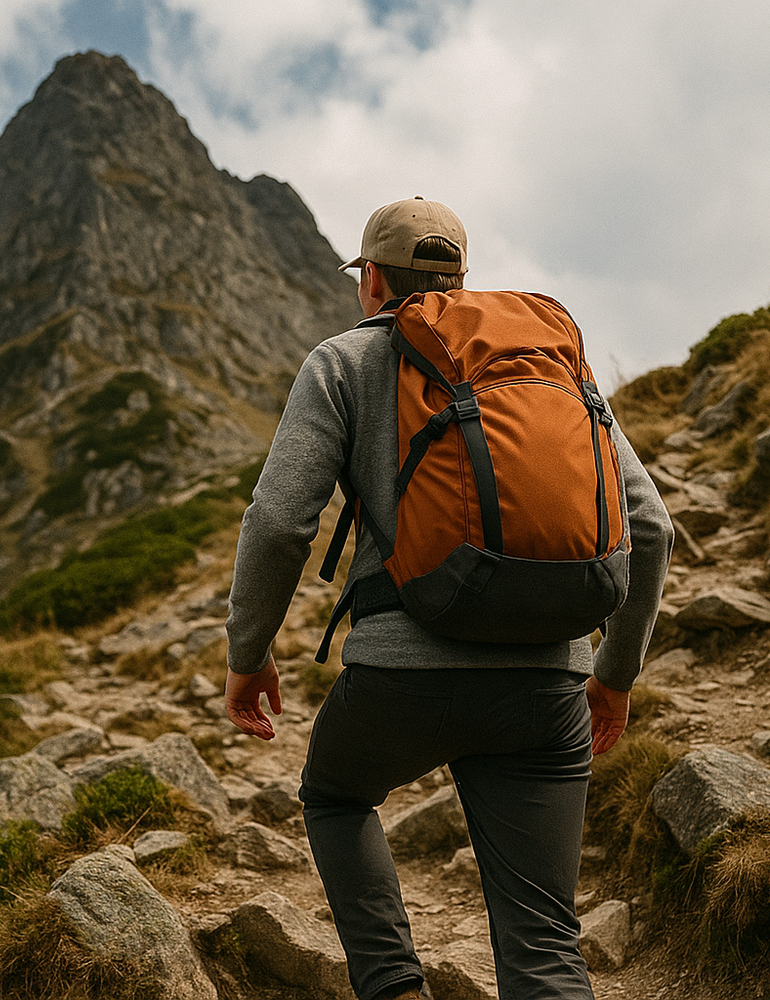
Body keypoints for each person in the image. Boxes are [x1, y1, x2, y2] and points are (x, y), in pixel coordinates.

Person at [222, 196, 673, 1000]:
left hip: (403, 671)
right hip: (548, 686)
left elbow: (280, 523)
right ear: (460, 278)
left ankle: (394, 986)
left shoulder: (345, 362)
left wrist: (246, 657)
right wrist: (615, 675)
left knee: (334, 796)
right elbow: (651, 526)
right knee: (543, 942)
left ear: (371, 282)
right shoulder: (549, 361)